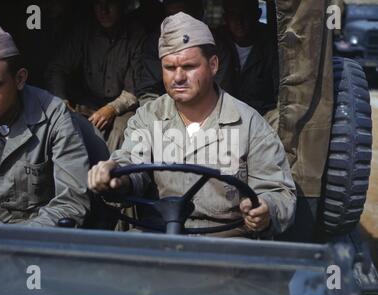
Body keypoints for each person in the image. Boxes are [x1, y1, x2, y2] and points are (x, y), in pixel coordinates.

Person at [88, 12, 296, 238]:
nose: (178, 77)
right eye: (169, 67)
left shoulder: (249, 123)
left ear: (213, 65)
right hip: (159, 233)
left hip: (227, 241)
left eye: (188, 66)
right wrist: (116, 176)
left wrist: (266, 209)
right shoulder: (149, 117)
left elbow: (278, 192)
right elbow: (131, 161)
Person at [0, 24, 90, 226]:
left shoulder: (54, 116)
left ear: (19, 79)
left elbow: (72, 203)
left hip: (35, 239)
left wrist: (18, 240)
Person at [45, 0, 146, 152]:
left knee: (121, 129)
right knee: (64, 122)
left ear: (121, 5)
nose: (103, 10)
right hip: (88, 101)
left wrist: (112, 108)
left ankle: (109, 172)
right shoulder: (84, 31)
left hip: (124, 106)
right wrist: (61, 100)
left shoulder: (136, 35)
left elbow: (135, 88)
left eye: (110, 4)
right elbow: (57, 68)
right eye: (98, 4)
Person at [215, 0, 279, 116]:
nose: (239, 21)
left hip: (262, 116)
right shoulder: (217, 43)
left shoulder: (272, 44)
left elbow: (279, 94)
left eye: (245, 13)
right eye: (233, 14)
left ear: (257, 15)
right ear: (226, 18)